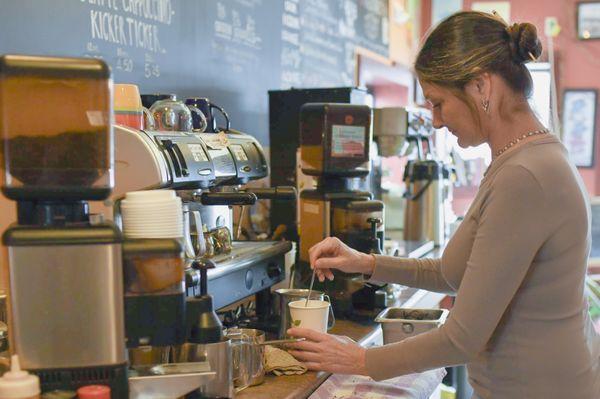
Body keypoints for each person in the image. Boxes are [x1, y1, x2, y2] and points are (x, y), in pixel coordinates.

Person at [287, 11, 600, 399]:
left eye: (438, 103)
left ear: (482, 87)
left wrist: (360, 361)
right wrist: (366, 263)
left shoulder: (526, 175)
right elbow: (454, 273)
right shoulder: (517, 161)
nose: (434, 121)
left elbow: (462, 338)